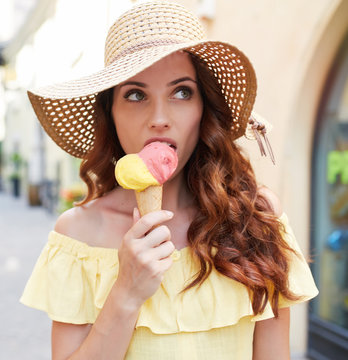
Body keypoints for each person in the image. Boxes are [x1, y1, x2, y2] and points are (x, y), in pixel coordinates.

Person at [20, 2, 318, 359]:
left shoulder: (255, 218)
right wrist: (126, 293)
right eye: (135, 94)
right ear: (110, 114)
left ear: (203, 108)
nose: (159, 118)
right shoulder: (78, 234)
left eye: (181, 92)